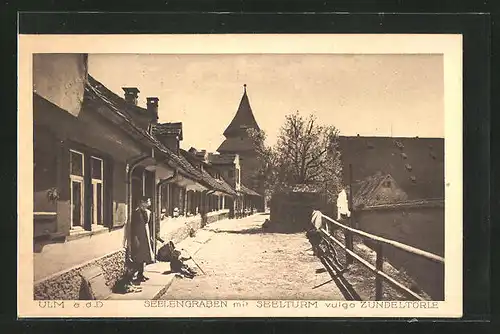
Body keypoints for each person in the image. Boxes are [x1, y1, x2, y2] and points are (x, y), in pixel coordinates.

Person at [128, 196, 155, 284]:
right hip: (139, 236)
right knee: (139, 256)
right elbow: (134, 226)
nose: (149, 202)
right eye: (147, 201)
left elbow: (148, 225)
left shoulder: (148, 212)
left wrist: (150, 237)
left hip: (145, 235)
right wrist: (135, 238)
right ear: (142, 202)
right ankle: (134, 274)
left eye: (149, 201)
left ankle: (141, 274)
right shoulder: (136, 212)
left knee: (145, 255)